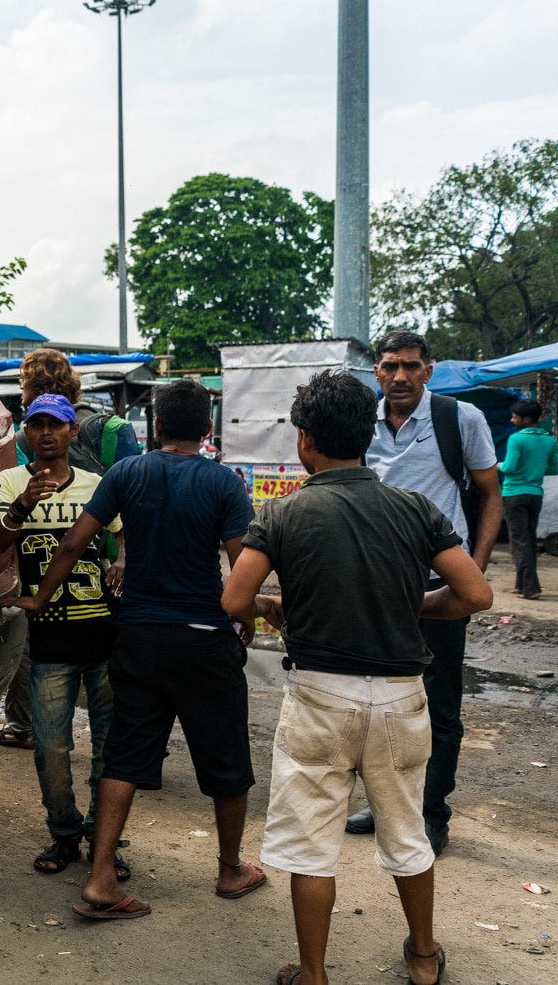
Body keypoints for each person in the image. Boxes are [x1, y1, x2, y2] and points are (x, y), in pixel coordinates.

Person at [222, 370, 491, 985]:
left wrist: (271, 609)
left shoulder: (285, 512)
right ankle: (424, 959)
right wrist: (415, 604)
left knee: (312, 847)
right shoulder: (414, 507)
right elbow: (475, 592)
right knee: (408, 833)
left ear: (306, 441)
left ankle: (313, 974)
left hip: (319, 695)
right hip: (401, 696)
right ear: (368, 436)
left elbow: (235, 599)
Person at [13, 378, 263, 920]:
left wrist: (37, 600)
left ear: (155, 426)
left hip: (139, 637)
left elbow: (75, 542)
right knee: (225, 758)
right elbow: (242, 563)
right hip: (202, 639)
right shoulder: (224, 483)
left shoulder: (126, 473)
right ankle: (230, 870)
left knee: (123, 756)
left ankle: (100, 878)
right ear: (208, 429)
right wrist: (247, 616)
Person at [346, 330, 501, 855]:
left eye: (411, 366)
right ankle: (386, 804)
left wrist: (473, 568)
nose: (400, 376)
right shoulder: (359, 421)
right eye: (390, 366)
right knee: (377, 701)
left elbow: (489, 492)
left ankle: (432, 813)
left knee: (440, 704)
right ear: (377, 372)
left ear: (428, 371)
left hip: (439, 585)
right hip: (376, 587)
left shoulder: (460, 419)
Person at [0, 393, 125, 878]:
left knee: (109, 750)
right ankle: (64, 833)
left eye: (56, 424)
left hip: (103, 636)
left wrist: (123, 559)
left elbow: (120, 535)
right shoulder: (9, 481)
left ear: (72, 432)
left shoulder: (96, 484)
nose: (45, 431)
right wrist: (22, 505)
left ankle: (106, 840)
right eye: (36, 423)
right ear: (26, 433)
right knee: (50, 747)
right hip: (48, 641)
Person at [0, 350, 85, 748]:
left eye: (24, 385)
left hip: (33, 554)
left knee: (30, 640)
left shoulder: (23, 439)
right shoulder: (109, 427)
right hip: (95, 557)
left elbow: (6, 513)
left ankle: (24, 723)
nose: (22, 393)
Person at [499, 398, 558, 600]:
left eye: (514, 417)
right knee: (529, 539)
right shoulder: (549, 440)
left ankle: (530, 588)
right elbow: (554, 467)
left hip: (514, 494)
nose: (512, 420)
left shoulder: (517, 439)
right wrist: (536, 468)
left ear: (525, 419)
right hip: (535, 494)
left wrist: (498, 465)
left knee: (518, 541)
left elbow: (510, 467)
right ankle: (521, 583)